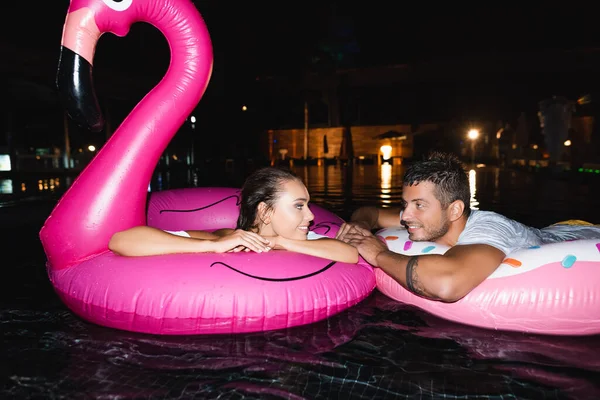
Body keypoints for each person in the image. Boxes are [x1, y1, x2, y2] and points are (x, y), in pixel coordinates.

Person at [336, 151, 600, 302]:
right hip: (556, 227)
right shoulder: (426, 218)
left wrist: (378, 254)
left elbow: (448, 284)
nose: (405, 216)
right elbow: (370, 212)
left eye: (419, 205)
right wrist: (359, 225)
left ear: (455, 210)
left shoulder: (488, 231)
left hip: (580, 234)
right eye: (405, 204)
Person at [109, 167, 359, 263]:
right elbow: (122, 241)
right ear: (265, 211)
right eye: (299, 206)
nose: (310, 216)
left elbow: (348, 253)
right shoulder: (226, 237)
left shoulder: (305, 240)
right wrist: (214, 245)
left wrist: (279, 243)